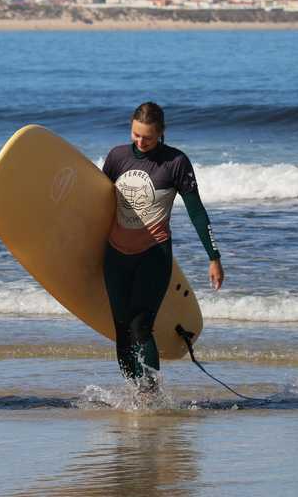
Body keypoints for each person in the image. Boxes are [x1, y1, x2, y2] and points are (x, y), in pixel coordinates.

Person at [101, 102, 224, 391]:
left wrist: (213, 257)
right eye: (136, 135)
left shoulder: (175, 162)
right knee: (121, 328)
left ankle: (151, 393)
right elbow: (98, 204)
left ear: (161, 134)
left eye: (148, 137)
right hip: (116, 255)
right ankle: (136, 393)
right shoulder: (117, 157)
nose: (141, 142)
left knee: (141, 326)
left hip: (153, 255)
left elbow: (196, 211)